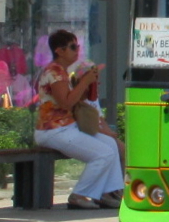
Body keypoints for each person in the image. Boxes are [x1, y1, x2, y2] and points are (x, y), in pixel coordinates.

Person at [35, 30, 124, 210]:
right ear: (59, 51)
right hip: (53, 130)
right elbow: (66, 103)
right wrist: (84, 82)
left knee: (110, 144)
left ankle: (107, 193)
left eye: (78, 47)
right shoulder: (54, 72)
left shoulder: (63, 72)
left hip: (68, 127)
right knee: (103, 154)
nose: (77, 51)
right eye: (73, 47)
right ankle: (79, 195)